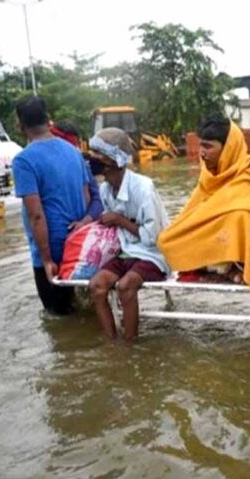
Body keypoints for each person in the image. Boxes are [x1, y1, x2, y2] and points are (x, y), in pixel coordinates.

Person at [157, 113, 250, 286]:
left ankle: (234, 267)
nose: (202, 153)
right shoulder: (208, 176)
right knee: (166, 239)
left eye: (208, 147)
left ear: (228, 148)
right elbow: (193, 212)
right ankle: (219, 267)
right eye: (200, 146)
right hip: (217, 242)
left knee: (239, 216)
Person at [11, 95, 101, 314]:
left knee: (58, 318)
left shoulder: (23, 161)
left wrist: (47, 259)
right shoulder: (74, 152)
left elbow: (36, 216)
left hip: (52, 247)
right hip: (79, 245)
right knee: (87, 311)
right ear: (49, 119)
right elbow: (87, 197)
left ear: (20, 125)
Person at [87, 128, 170, 340]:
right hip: (125, 251)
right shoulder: (105, 189)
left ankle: (130, 344)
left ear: (114, 160)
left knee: (125, 287)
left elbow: (153, 237)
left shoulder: (143, 188)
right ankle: (113, 344)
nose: (92, 159)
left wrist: (120, 220)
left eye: (98, 155)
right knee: (96, 286)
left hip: (152, 254)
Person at [48, 118, 104, 231]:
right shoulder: (43, 164)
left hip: (78, 230)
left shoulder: (83, 165)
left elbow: (98, 199)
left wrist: (84, 222)